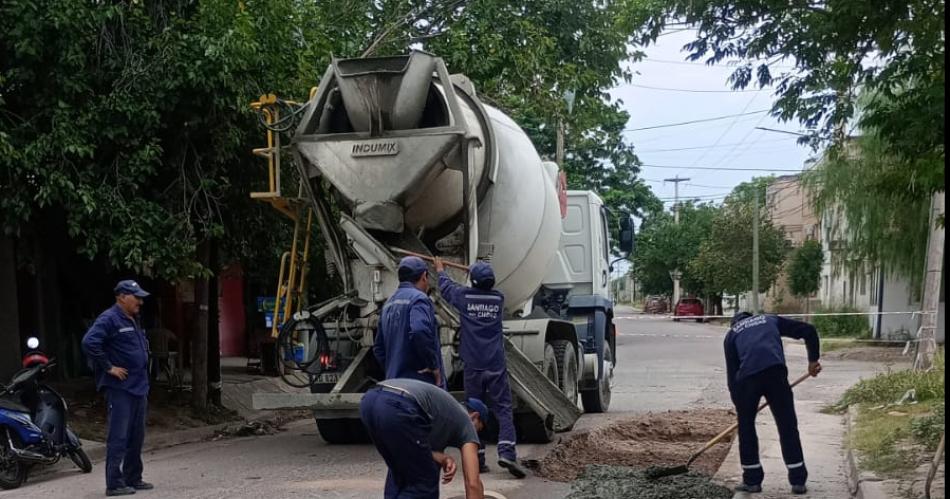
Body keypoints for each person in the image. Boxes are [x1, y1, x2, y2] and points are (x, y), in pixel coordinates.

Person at [435, 257, 526, 478]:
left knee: (474, 412)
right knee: (503, 409)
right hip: (495, 364)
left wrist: (440, 270)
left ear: (472, 282)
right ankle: (507, 453)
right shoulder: (498, 299)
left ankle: (478, 458)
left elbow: (446, 289)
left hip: (473, 365)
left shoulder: (465, 297)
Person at [724, 312, 822, 495]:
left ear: (734, 323)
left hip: (748, 379)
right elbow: (808, 330)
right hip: (775, 372)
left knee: (747, 428)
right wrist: (813, 360)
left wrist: (742, 408)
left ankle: (752, 481)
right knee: (787, 425)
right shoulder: (769, 319)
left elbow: (732, 376)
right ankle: (798, 481)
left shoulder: (731, 335)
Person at [81, 280, 155, 497]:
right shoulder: (109, 318)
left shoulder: (133, 319)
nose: (140, 301)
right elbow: (89, 342)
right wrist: (109, 367)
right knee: (119, 437)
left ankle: (133, 477)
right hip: (120, 388)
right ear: (122, 296)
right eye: (136, 297)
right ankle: (114, 483)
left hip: (139, 387)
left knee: (136, 436)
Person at [360, 378, 486, 499]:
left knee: (400, 470)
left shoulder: (443, 411)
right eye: (479, 429)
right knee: (424, 482)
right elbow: (473, 483)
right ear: (475, 417)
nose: (475, 437)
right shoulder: (467, 422)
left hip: (370, 400)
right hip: (399, 406)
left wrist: (441, 457)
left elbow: (416, 451)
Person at [374, 256, 446, 388]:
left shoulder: (388, 304)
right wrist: (433, 365)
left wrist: (393, 370)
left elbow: (379, 349)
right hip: (420, 384)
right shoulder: (419, 299)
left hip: (394, 383)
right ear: (424, 276)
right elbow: (420, 330)